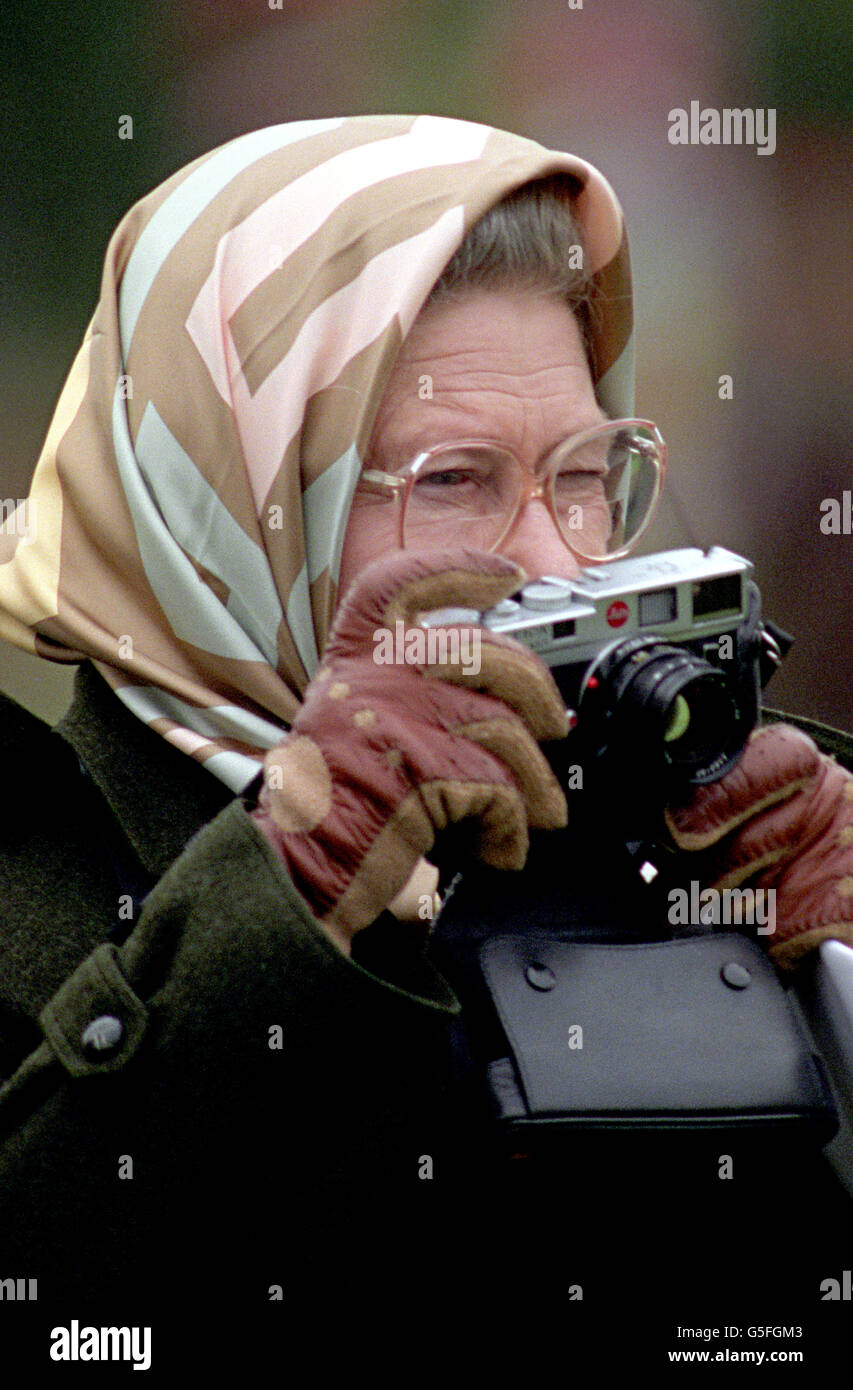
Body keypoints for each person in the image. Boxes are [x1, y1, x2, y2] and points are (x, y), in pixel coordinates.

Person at [1, 114, 852, 1360]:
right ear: (231, 507)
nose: (553, 559)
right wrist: (285, 894)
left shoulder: (684, 841)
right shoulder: (34, 880)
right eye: (452, 479)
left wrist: (839, 986)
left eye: (581, 473)